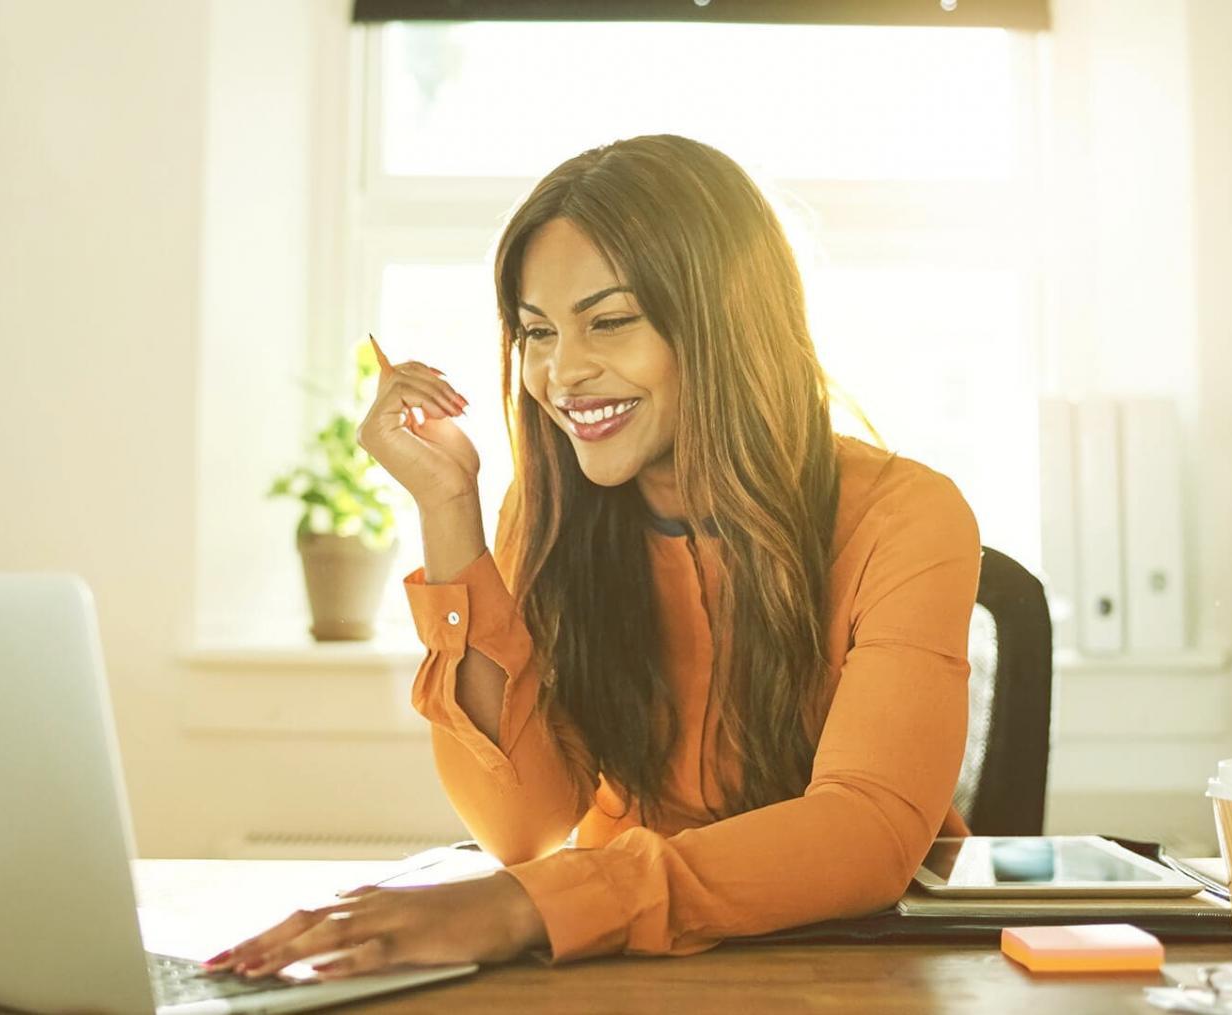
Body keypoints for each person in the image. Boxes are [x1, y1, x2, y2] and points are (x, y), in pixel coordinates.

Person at [208, 134, 982, 981]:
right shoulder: (544, 514)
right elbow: (522, 826)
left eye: (608, 321)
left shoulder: (906, 515)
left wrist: (526, 905)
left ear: (725, 320)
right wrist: (448, 510)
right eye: (536, 332)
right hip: (619, 964)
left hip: (850, 968)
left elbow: (864, 829)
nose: (560, 372)